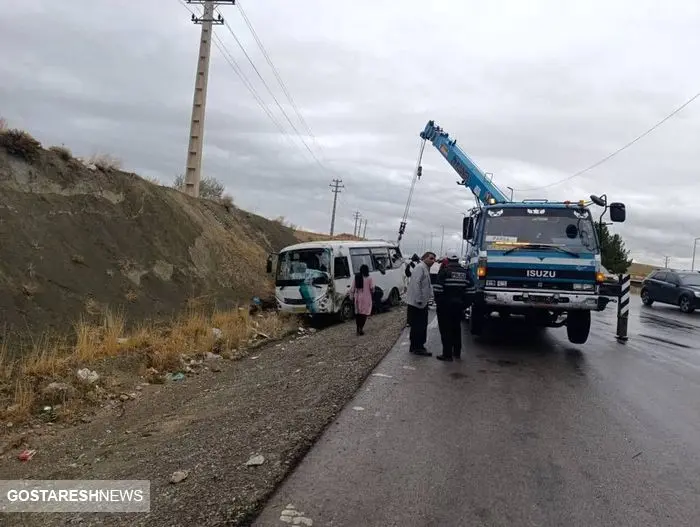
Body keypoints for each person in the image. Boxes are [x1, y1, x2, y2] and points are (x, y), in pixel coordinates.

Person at [433, 250, 472, 361]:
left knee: (446, 330)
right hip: (459, 307)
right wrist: (465, 304)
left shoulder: (444, 272)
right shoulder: (465, 273)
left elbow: (437, 289)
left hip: (445, 307)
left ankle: (447, 354)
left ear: (448, 259)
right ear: (458, 259)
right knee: (456, 329)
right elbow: (471, 290)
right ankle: (457, 353)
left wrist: (440, 304)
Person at [406, 251, 436, 355]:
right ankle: (417, 347)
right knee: (418, 325)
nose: (433, 261)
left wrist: (430, 297)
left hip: (422, 302)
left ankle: (417, 346)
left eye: (434, 259)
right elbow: (416, 284)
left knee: (421, 325)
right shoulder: (420, 268)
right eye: (431, 258)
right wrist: (419, 299)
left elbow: (427, 285)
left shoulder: (425, 268)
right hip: (417, 303)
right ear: (424, 258)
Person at [349, 264, 374, 335]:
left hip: (357, 297)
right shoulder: (369, 278)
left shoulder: (356, 277)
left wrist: (351, 296)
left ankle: (358, 329)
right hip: (366, 298)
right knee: (364, 314)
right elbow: (372, 288)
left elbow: (352, 288)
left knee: (358, 314)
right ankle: (361, 328)